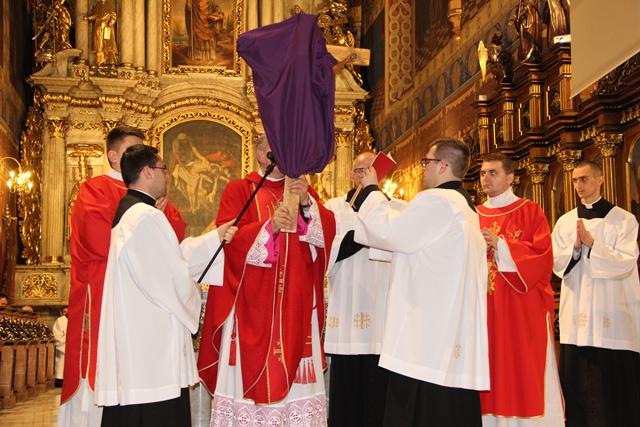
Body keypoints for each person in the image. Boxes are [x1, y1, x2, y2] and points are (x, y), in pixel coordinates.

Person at [198, 134, 336, 426]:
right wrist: (269, 227)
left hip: (295, 300)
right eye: (277, 151)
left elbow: (325, 237)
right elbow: (228, 240)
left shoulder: (303, 190)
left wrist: (307, 204)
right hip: (252, 303)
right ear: (262, 156)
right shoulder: (240, 189)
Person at [95, 144, 236, 427]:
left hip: (141, 337)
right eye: (163, 169)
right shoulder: (145, 217)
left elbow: (172, 260)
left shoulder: (133, 214)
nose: (169, 176)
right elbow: (171, 278)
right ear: (147, 172)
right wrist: (194, 289)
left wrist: (215, 238)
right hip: (152, 345)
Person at [355, 137, 489, 426]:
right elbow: (413, 245)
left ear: (443, 166)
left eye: (426, 162)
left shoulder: (437, 201)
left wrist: (372, 191)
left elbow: (389, 232)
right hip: (448, 327)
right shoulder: (466, 208)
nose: (423, 168)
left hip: (425, 334)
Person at [59, 126, 186, 427]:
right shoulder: (94, 189)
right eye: (130, 152)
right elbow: (99, 239)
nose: (136, 157)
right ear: (113, 157)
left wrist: (158, 216)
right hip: (105, 289)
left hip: (144, 300)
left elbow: (176, 236)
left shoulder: (152, 196)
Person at [476, 153, 564, 426]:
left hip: (520, 309)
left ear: (510, 177)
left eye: (493, 172)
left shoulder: (530, 211)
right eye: (482, 173)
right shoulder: (472, 215)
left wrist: (501, 245)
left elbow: (542, 256)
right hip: (483, 308)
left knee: (521, 368)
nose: (486, 178)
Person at [551, 160, 640, 427]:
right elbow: (556, 262)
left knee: (611, 385)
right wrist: (576, 249)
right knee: (578, 384)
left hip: (611, 313)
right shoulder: (566, 222)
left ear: (600, 180)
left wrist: (593, 244)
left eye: (584, 179)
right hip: (577, 313)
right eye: (575, 180)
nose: (578, 185)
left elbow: (626, 261)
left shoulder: (623, 220)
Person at [324, 151, 398, 427]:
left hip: (382, 310)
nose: (364, 175)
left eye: (370, 170)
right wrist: (359, 236)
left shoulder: (395, 208)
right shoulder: (333, 208)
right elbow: (323, 249)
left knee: (379, 393)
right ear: (350, 175)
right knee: (347, 392)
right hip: (347, 308)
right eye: (359, 170)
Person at [84, 0, 118, 65]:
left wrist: (110, 23)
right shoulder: (97, 5)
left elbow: (113, 16)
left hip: (106, 26)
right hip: (98, 26)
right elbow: (95, 15)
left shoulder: (109, 6)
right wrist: (88, 18)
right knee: (98, 43)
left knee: (107, 44)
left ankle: (109, 60)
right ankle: (99, 60)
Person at [53, 306, 69, 387]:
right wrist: (69, 337)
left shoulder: (79, 319)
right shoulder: (60, 320)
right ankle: (60, 380)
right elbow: (56, 337)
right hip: (63, 348)